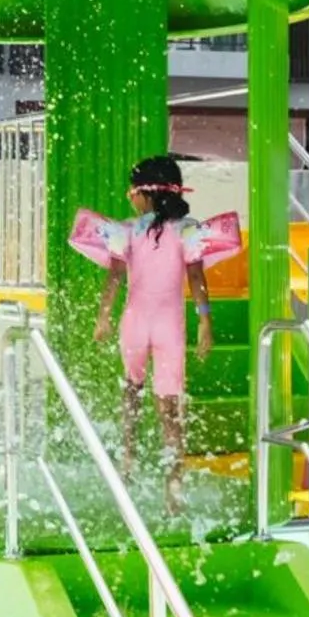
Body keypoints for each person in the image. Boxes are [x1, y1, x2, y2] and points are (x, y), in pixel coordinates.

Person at [93, 156, 215, 512]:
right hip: (170, 328)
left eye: (132, 191)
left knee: (131, 390)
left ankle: (127, 459)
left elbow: (114, 277)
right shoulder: (188, 230)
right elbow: (196, 279)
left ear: (146, 194)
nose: (130, 198)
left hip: (134, 321)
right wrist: (204, 320)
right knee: (170, 407)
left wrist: (104, 317)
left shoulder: (126, 230)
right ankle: (173, 489)